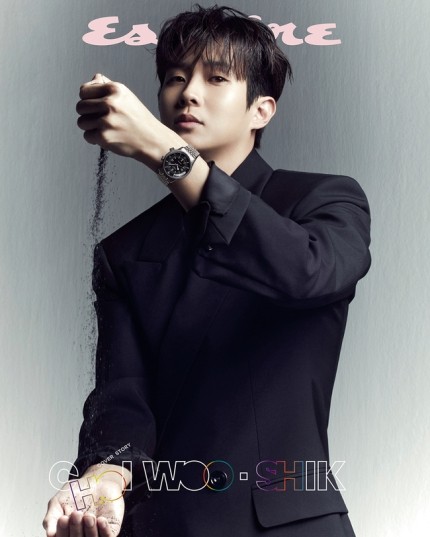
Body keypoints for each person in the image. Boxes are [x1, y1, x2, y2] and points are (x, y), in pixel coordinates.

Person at [43, 5, 371, 537]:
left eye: (216, 78)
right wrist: (105, 475)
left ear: (261, 110)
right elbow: (123, 397)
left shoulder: (321, 201)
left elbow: (306, 272)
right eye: (175, 77)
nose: (188, 93)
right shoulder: (124, 251)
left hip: (285, 523)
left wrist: (164, 151)